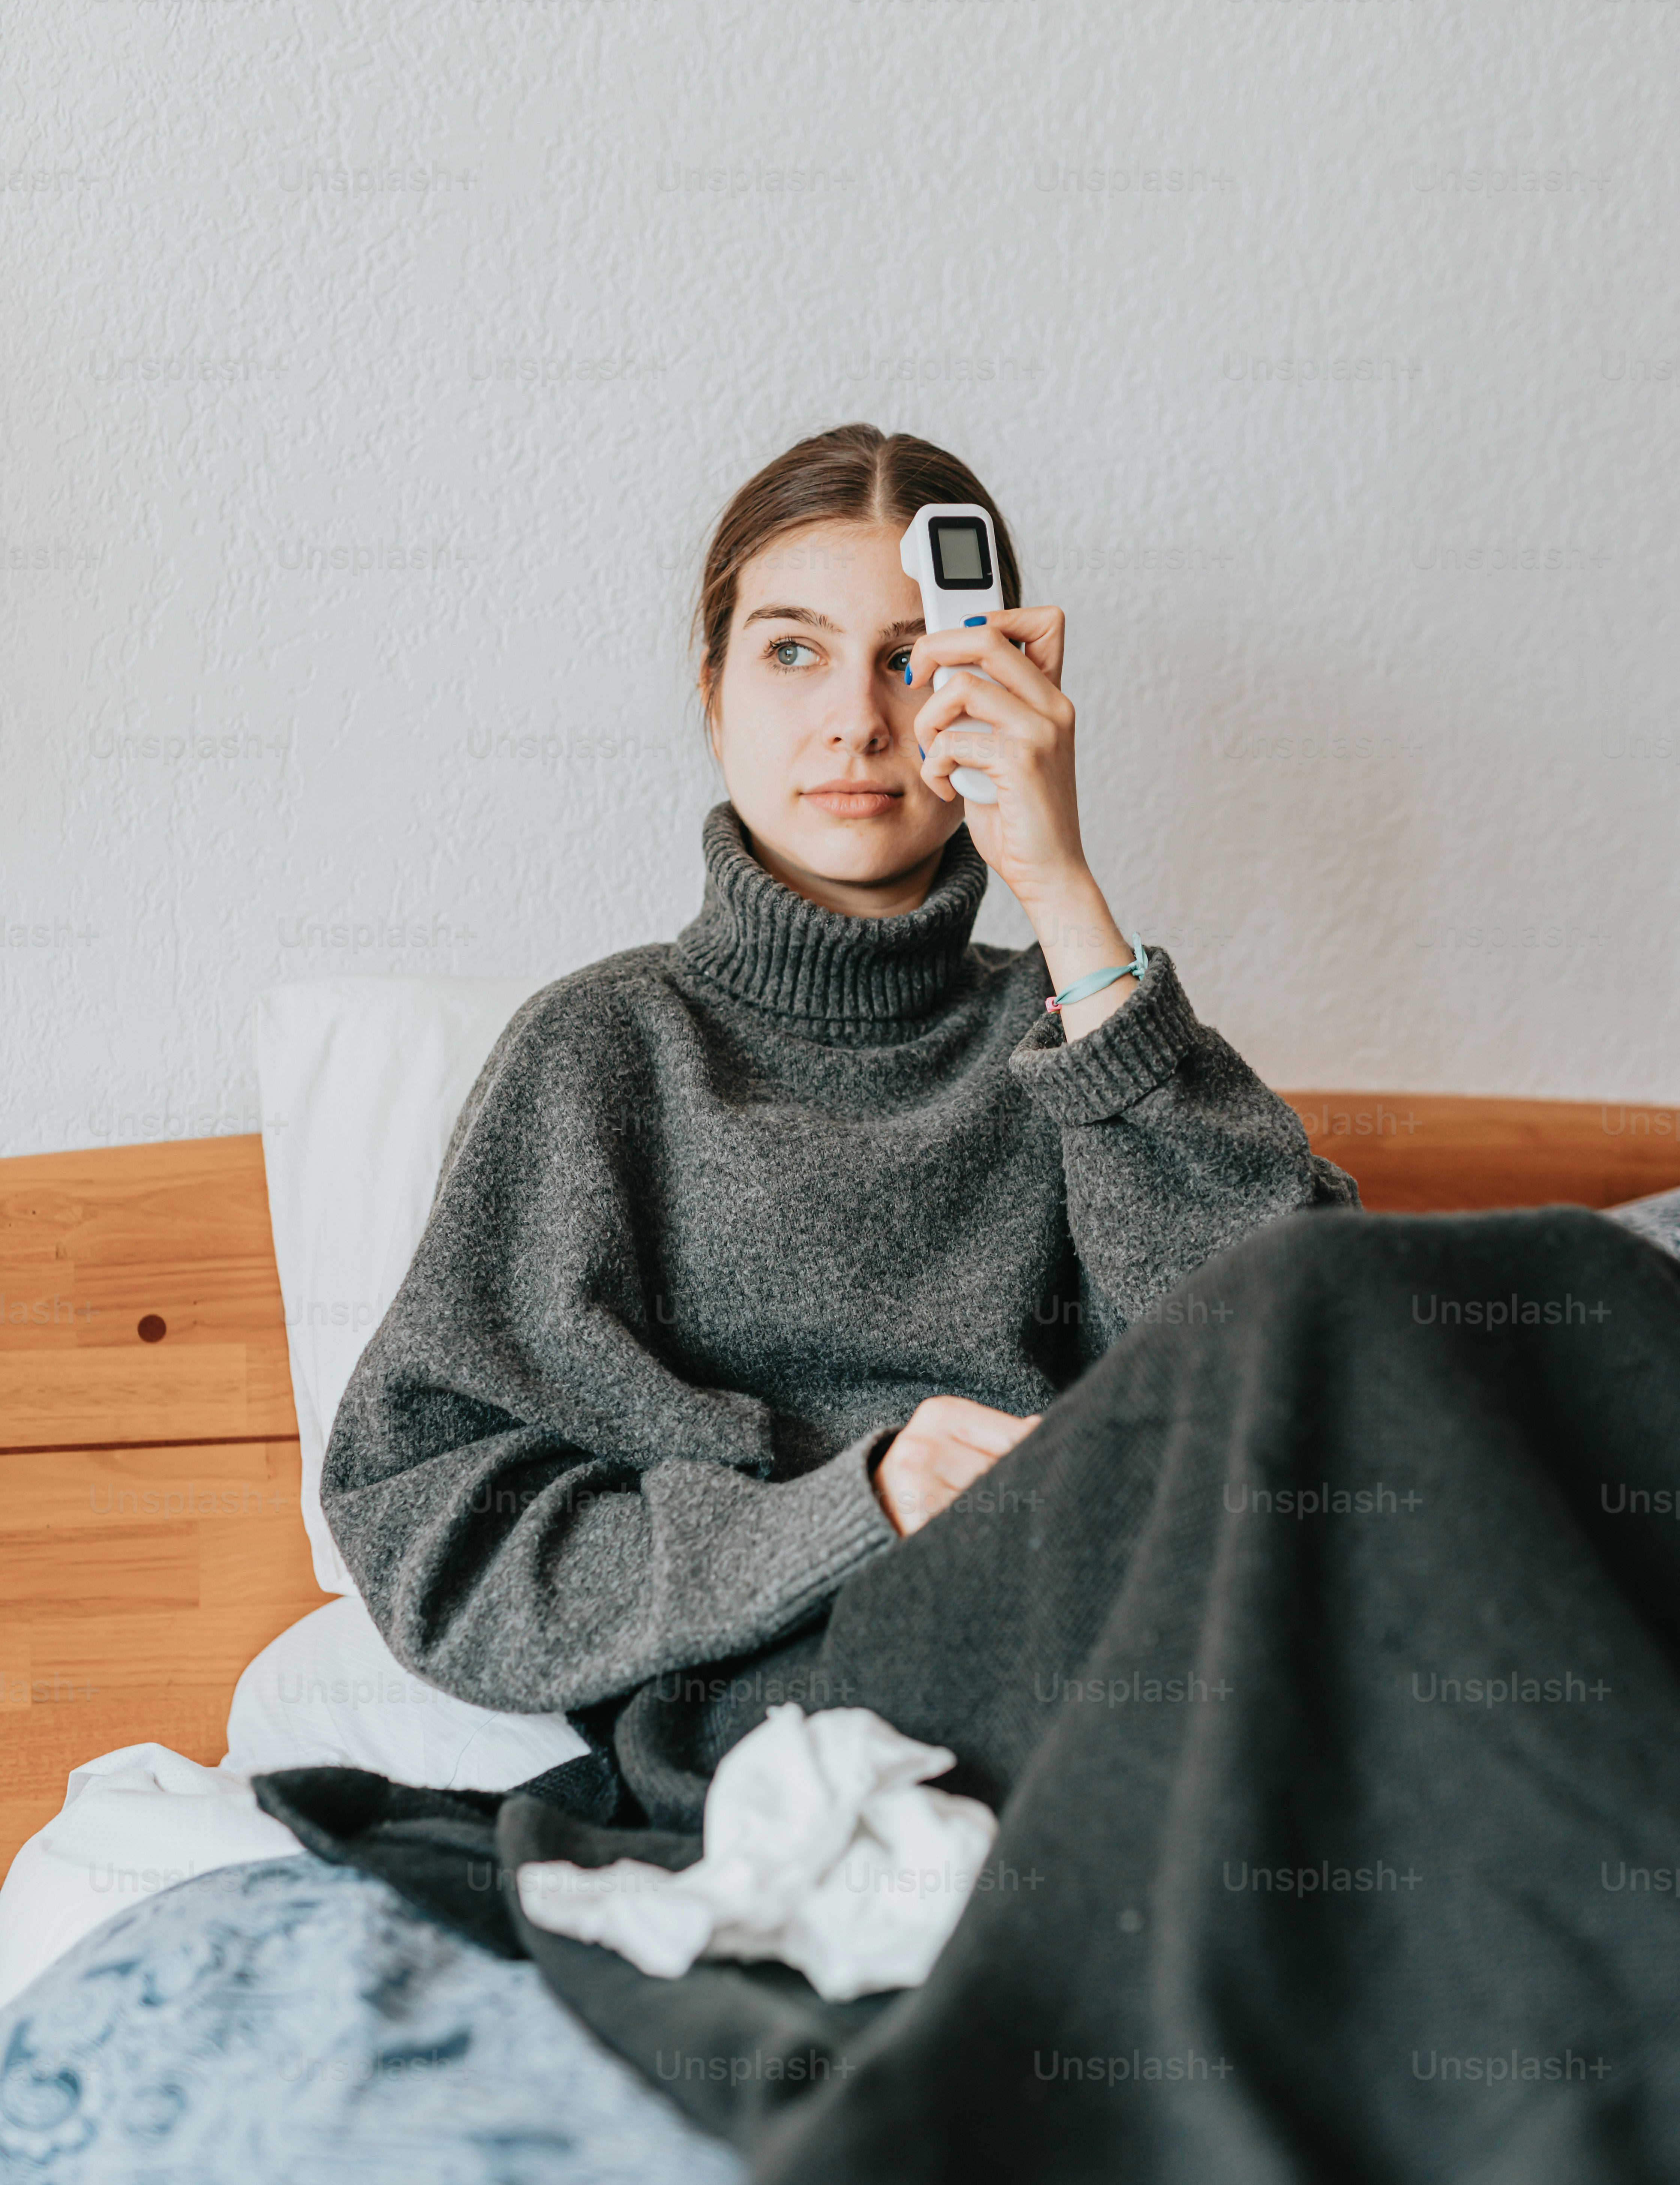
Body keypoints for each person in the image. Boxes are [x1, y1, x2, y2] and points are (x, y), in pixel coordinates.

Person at [319, 423, 1354, 1735]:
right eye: (792, 650)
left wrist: (1066, 893)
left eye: (915, 660)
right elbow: (437, 1535)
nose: (859, 722)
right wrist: (857, 1508)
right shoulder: (601, 1055)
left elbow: (1308, 1358)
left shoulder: (1080, 1032)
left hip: (1159, 1687)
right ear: (712, 695)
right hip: (828, 1733)